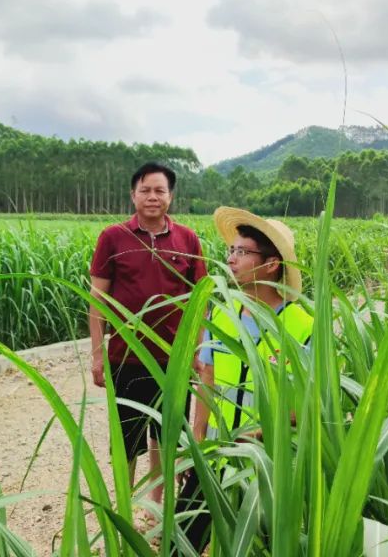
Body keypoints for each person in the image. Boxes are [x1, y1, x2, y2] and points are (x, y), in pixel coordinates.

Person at [176, 206, 313, 553]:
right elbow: (207, 378)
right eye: (231, 250)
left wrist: (249, 438)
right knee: (181, 544)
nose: (231, 259)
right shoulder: (220, 314)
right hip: (215, 459)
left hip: (267, 467)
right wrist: (197, 443)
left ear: (271, 264)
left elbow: (305, 408)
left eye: (242, 252)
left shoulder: (302, 327)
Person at [88, 162, 207, 505]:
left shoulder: (188, 239)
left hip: (174, 359)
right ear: (133, 195)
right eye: (145, 190)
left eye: (160, 190)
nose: (152, 197)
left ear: (170, 195)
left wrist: (197, 352)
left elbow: (199, 300)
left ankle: (158, 506)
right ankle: (124, 507)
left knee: (166, 437)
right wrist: (97, 355)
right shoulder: (113, 237)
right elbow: (98, 300)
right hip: (126, 357)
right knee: (126, 440)